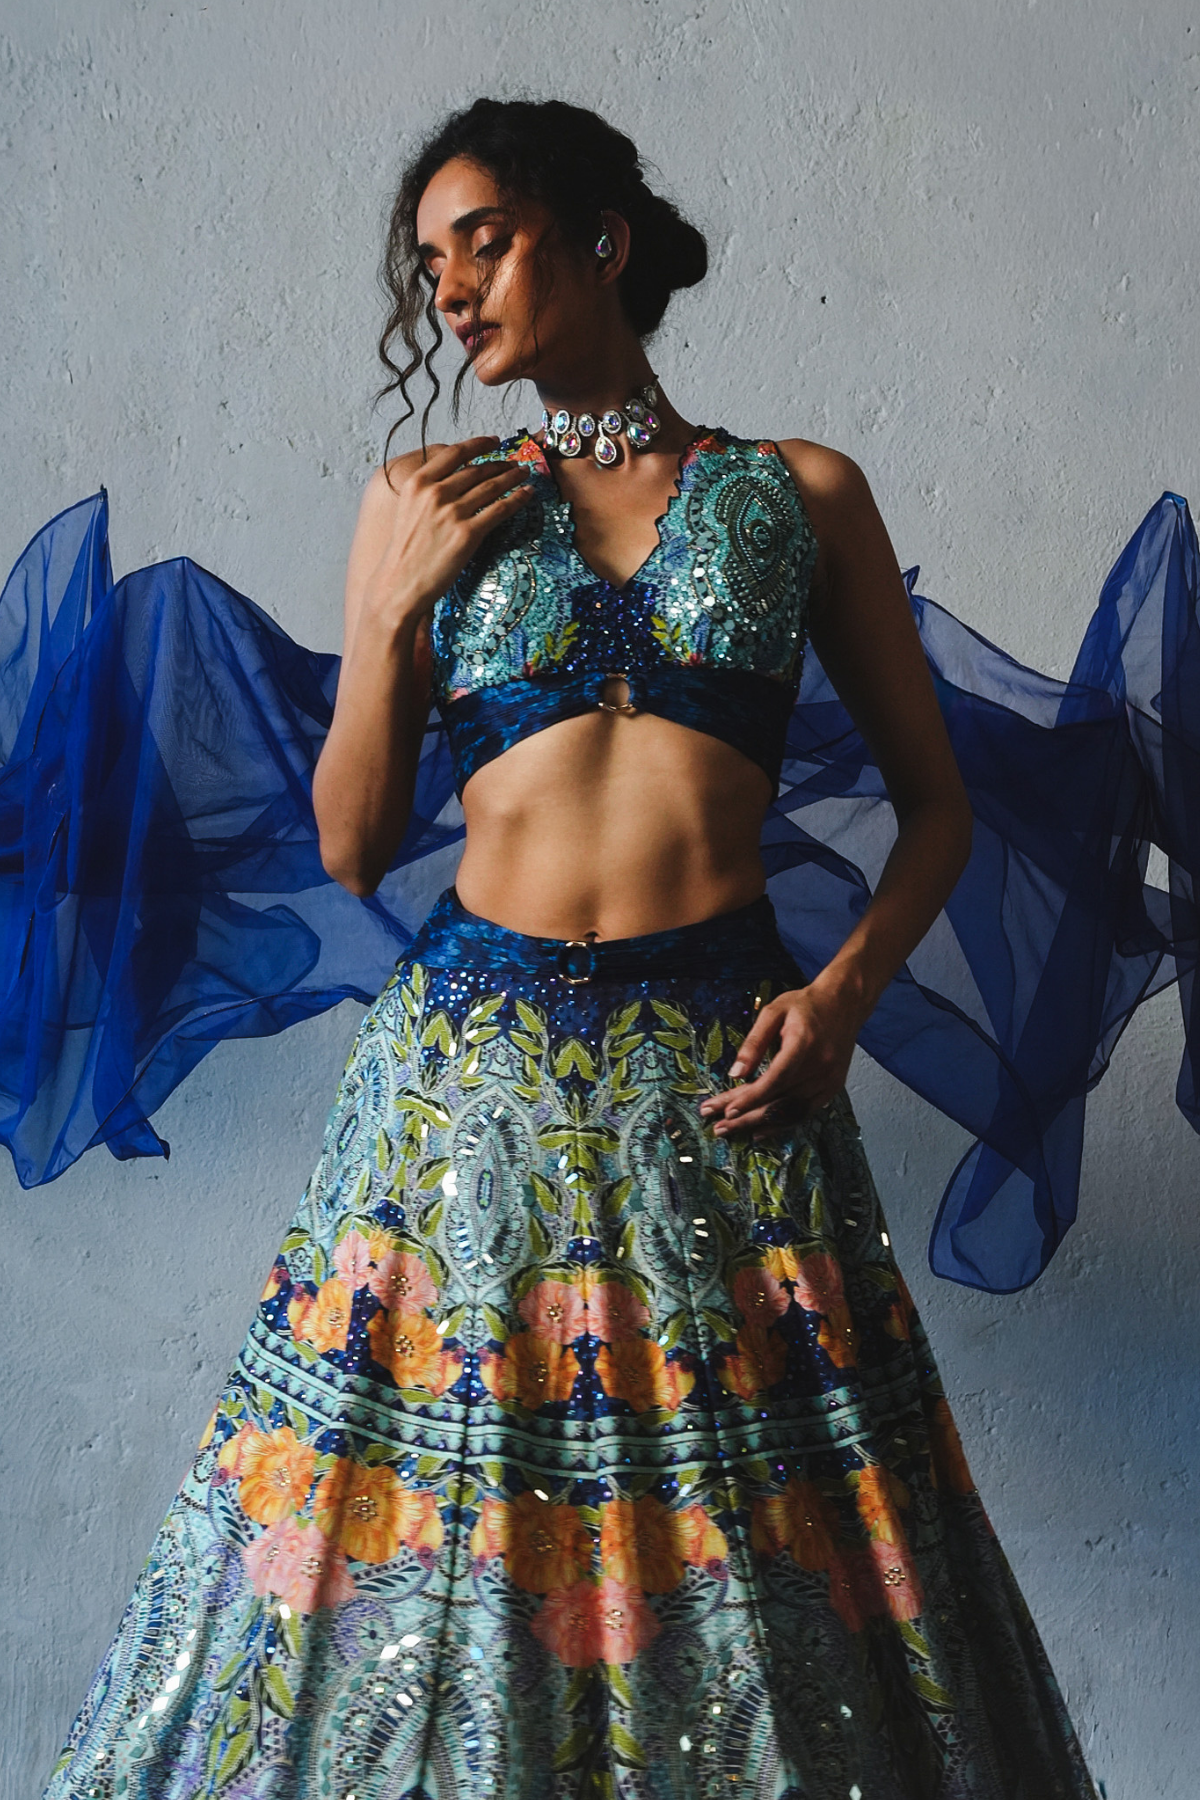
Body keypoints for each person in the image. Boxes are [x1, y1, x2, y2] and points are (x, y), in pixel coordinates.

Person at [35, 96, 1104, 1800]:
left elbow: (939, 811)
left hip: (724, 1076)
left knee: (768, 1548)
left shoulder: (798, 494)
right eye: (430, 264)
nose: (451, 290)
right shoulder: (423, 497)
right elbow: (351, 845)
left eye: (485, 241)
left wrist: (840, 1000)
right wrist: (390, 605)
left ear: (601, 241)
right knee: (441, 1538)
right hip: (467, 1085)